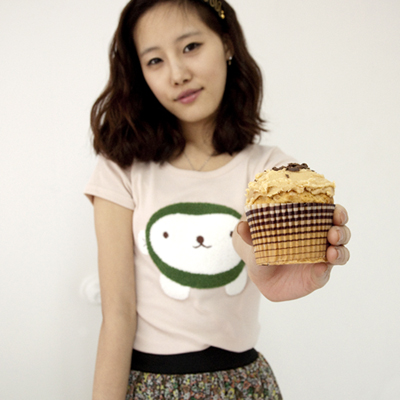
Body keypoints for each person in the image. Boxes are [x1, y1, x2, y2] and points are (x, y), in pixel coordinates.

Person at [84, 0, 351, 399]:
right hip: (151, 384)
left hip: (244, 385)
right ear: (140, 74)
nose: (178, 74)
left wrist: (279, 270)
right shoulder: (121, 169)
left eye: (190, 46)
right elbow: (118, 315)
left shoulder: (271, 175)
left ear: (226, 44)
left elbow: (261, 254)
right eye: (155, 60)